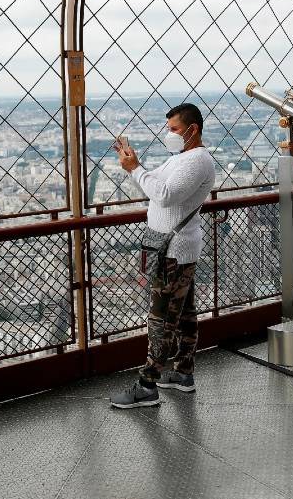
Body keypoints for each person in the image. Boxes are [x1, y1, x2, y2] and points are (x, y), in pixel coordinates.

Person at [109, 103, 216, 408]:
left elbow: (165, 195)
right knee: (183, 314)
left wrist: (135, 170)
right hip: (173, 248)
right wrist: (136, 165)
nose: (169, 134)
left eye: (174, 129)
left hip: (174, 251)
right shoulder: (181, 158)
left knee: (161, 317)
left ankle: (147, 385)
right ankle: (183, 372)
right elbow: (155, 183)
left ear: (192, 129)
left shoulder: (195, 161)